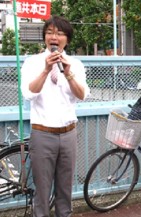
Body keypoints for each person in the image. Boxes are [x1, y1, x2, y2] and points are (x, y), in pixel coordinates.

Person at [21, 15, 90, 217]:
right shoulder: (32, 62)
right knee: (42, 189)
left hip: (69, 134)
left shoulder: (75, 64)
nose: (54, 36)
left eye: (59, 33)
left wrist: (68, 73)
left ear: (66, 39)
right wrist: (45, 70)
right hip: (42, 134)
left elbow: (82, 95)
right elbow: (28, 93)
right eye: (50, 33)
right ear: (44, 38)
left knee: (65, 188)